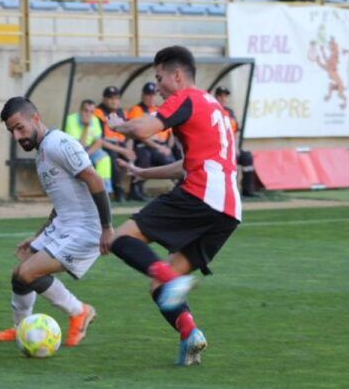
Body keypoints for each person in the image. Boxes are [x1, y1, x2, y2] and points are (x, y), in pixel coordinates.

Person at [105, 46, 241, 366]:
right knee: (158, 286)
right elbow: (188, 163)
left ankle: (172, 279)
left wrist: (117, 123)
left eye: (160, 77)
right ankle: (190, 334)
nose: (159, 86)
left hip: (201, 195)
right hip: (228, 211)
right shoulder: (213, 106)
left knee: (121, 239)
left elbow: (141, 129)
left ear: (177, 75)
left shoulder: (186, 97)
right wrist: (144, 172)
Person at [0, 97, 113, 346]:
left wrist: (107, 228)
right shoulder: (43, 153)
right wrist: (38, 236)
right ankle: (22, 329)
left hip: (85, 229)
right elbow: (62, 202)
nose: (17, 136)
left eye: (20, 127)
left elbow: (95, 180)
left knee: (28, 273)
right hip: (65, 225)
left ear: (35, 118)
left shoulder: (59, 143)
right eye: (12, 131)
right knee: (18, 274)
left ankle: (79, 311)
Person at [126, 82, 176, 201]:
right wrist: (159, 147)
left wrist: (168, 147)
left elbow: (171, 132)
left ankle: (178, 188)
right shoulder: (136, 109)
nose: (151, 97)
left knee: (170, 159)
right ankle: (136, 190)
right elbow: (137, 133)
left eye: (153, 94)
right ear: (143, 95)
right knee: (144, 157)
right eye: (148, 94)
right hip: (144, 144)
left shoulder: (159, 109)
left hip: (161, 145)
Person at [214, 86, 261, 198]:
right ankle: (228, 191)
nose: (223, 98)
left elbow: (235, 132)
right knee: (231, 160)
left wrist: (235, 148)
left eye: (225, 95)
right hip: (219, 149)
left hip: (232, 147)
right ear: (216, 97)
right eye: (221, 95)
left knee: (247, 157)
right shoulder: (213, 110)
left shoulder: (230, 112)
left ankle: (247, 189)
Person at [94, 86, 136, 202]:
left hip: (122, 145)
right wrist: (123, 151)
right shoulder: (99, 112)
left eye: (116, 98)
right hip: (107, 145)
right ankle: (118, 191)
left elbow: (129, 135)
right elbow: (100, 140)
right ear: (104, 99)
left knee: (139, 155)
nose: (114, 101)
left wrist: (129, 150)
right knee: (113, 157)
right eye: (110, 98)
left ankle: (135, 190)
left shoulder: (122, 112)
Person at [64, 99, 113, 194]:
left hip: (88, 150)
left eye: (91, 112)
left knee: (104, 158)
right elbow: (78, 146)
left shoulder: (94, 120)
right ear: (80, 110)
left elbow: (99, 142)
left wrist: (87, 154)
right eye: (86, 111)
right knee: (81, 160)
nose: (88, 114)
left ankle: (105, 190)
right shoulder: (71, 120)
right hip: (73, 150)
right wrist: (87, 127)